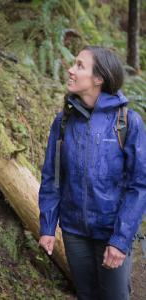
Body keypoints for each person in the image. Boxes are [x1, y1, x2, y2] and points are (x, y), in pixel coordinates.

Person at [38, 45, 146, 300]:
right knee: (86, 294)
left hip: (111, 231)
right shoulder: (63, 121)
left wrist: (120, 240)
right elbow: (52, 177)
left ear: (98, 78)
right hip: (75, 233)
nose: (70, 69)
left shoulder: (127, 122)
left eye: (79, 65)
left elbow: (140, 186)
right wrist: (47, 226)